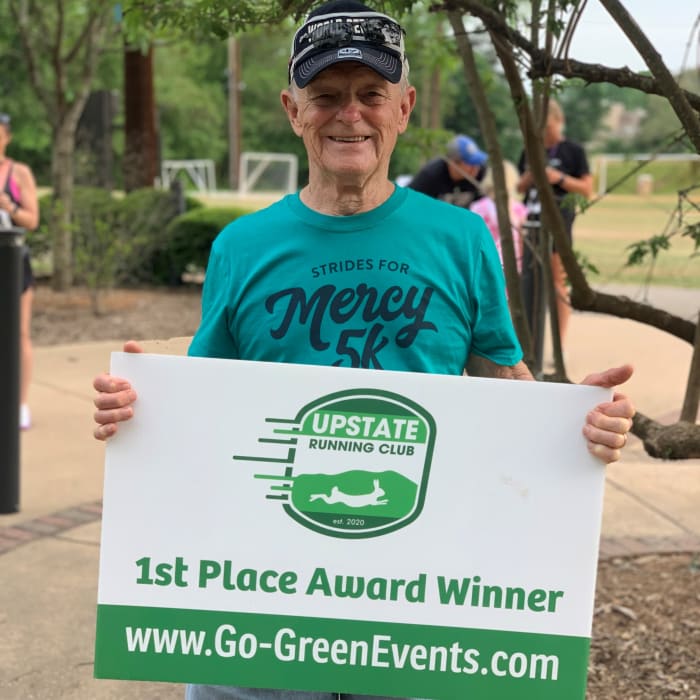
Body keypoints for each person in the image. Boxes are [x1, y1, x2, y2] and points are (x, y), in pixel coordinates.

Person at [92, 2, 635, 699]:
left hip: (415, 609)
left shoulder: (461, 241)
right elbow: (208, 403)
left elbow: (505, 379)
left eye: (370, 94)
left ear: (404, 108)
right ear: (292, 109)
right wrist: (139, 412)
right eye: (325, 96)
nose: (349, 114)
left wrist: (571, 423)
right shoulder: (242, 247)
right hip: (262, 616)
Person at [516, 98, 593, 347]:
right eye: (541, 130)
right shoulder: (529, 151)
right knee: (527, 280)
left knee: (557, 281)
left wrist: (558, 178)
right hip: (531, 223)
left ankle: (558, 343)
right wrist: (531, 175)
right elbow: (519, 187)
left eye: (549, 129)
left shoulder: (574, 151)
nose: (546, 135)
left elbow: (586, 189)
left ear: (560, 122)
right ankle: (528, 341)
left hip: (558, 222)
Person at [0, 112, 40, 430]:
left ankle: (20, 404)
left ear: (8, 136)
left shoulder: (19, 173)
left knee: (20, 333)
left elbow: (32, 220)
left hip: (13, 262)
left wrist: (8, 206)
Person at [469, 160, 527, 272]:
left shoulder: (477, 207)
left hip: (484, 265)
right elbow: (522, 243)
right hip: (513, 266)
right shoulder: (519, 210)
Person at [408, 133, 487, 208]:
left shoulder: (481, 173)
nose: (476, 168)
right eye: (471, 163)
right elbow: (409, 200)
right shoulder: (431, 175)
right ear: (452, 163)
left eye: (478, 162)